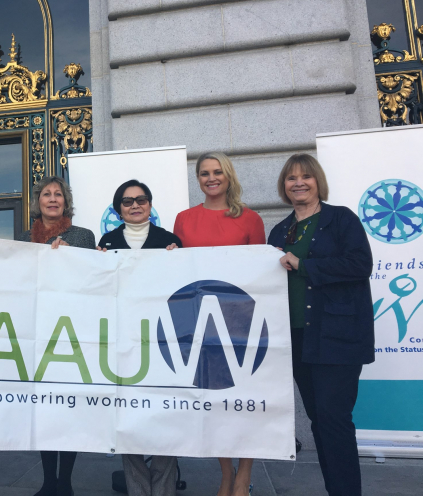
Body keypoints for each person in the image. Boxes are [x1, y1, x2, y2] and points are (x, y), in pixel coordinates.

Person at [268, 154, 374, 496]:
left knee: (334, 419)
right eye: (291, 178)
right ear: (284, 186)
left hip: (338, 338)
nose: (298, 182)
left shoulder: (341, 219)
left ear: (318, 181)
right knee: (320, 420)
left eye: (306, 176)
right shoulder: (280, 230)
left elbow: (360, 264)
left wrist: (304, 265)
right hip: (298, 339)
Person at [173, 152, 264, 496]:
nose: (210, 178)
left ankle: (245, 472)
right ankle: (226, 473)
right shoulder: (184, 219)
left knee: (245, 399)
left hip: (241, 321)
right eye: (203, 173)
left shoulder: (251, 219)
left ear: (228, 176)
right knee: (214, 403)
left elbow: (260, 274)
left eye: (216, 172)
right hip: (200, 324)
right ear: (197, 179)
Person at [98, 180, 181, 496]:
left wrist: (179, 260)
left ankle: (163, 490)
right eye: (127, 201)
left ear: (150, 204)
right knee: (127, 419)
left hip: (161, 342)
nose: (135, 205)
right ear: (118, 209)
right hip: (121, 341)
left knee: (165, 418)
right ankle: (137, 490)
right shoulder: (107, 242)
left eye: (141, 199)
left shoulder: (170, 241)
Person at [17, 175, 95, 496]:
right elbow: (18, 280)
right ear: (38, 202)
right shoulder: (24, 239)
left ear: (66, 201)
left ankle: (66, 482)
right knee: (45, 407)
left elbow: (90, 278)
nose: (52, 199)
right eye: (46, 194)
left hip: (72, 331)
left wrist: (66, 259)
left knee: (70, 407)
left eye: (58, 194)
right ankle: (49, 481)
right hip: (39, 330)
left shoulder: (83, 235)